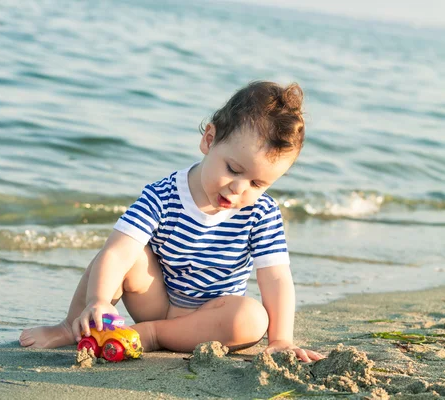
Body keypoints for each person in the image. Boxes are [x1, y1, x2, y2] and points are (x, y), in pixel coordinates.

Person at [20, 81, 324, 362]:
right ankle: (72, 327)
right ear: (209, 140)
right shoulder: (163, 195)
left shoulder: (262, 213)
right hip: (157, 303)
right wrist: (99, 300)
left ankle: (151, 335)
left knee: (252, 318)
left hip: (209, 318)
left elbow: (276, 278)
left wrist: (281, 338)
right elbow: (117, 253)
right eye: (232, 169)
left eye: (257, 184)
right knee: (123, 253)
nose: (239, 188)